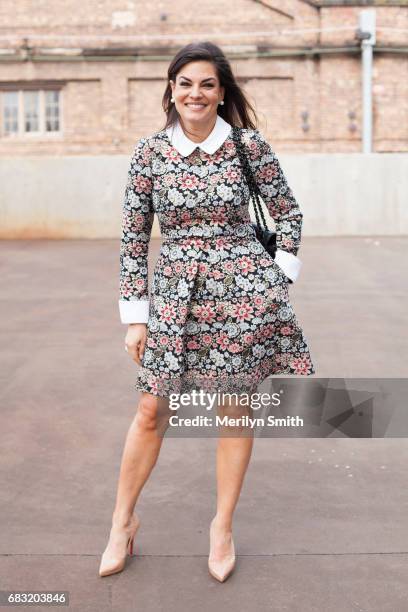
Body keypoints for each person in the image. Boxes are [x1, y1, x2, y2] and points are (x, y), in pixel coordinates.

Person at [99, 41, 315, 582]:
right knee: (152, 410)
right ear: (171, 90)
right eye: (185, 83)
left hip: (243, 297)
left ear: (222, 93)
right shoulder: (149, 153)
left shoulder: (248, 146)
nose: (195, 94)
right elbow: (132, 238)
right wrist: (135, 314)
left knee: (233, 410)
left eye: (207, 84)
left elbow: (288, 211)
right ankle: (121, 523)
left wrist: (276, 276)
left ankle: (222, 527)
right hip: (172, 296)